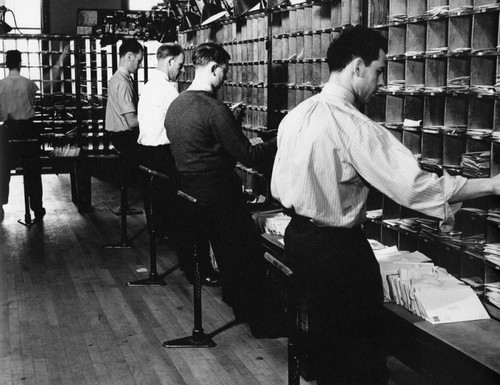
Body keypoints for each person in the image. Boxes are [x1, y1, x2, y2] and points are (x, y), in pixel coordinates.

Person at [271, 25, 500, 385]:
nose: (380, 84)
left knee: (325, 347)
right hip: (338, 253)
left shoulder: (296, 115)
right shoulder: (354, 125)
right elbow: (415, 186)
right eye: (378, 71)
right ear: (357, 67)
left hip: (298, 236)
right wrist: (491, 184)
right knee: (359, 359)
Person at [165, 42, 280, 335]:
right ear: (214, 68)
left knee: (230, 254)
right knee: (247, 255)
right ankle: (262, 323)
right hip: (218, 195)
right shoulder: (214, 108)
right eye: (224, 72)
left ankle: (235, 300)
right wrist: (283, 139)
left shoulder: (176, 104)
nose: (225, 79)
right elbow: (249, 157)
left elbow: (197, 148)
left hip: (189, 195)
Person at [0, 50, 45, 221]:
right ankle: (37, 207)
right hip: (28, 129)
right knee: (33, 170)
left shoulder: (1, 85)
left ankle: (0, 204)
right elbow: (32, 103)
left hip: (8, 130)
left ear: (5, 64)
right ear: (20, 63)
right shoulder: (29, 84)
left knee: (3, 169)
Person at [105, 38, 143, 161]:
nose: (140, 65)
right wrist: (153, 118)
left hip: (117, 137)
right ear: (129, 56)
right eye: (139, 60)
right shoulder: (123, 83)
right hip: (126, 138)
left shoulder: (115, 78)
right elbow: (131, 121)